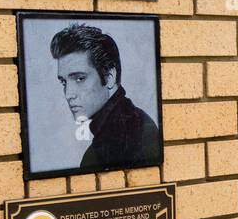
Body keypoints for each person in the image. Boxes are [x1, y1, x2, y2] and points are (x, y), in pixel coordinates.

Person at [49, 23, 161, 170]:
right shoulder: (136, 120)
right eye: (64, 82)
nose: (69, 94)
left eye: (79, 78)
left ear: (109, 77)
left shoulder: (106, 150)